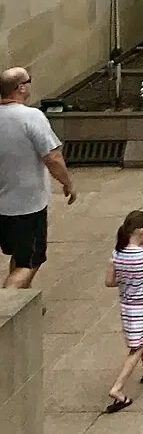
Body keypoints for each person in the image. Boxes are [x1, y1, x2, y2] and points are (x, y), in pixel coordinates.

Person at [0, 63, 77, 288]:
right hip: (26, 206)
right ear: (20, 88)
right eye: (28, 80)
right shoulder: (31, 117)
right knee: (30, 260)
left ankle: (23, 300)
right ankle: (7, 306)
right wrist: (68, 183)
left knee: (19, 254)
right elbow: (52, 157)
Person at [104, 209, 143, 411]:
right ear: (141, 230)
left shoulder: (117, 254)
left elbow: (110, 282)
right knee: (136, 348)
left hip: (127, 306)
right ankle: (118, 388)